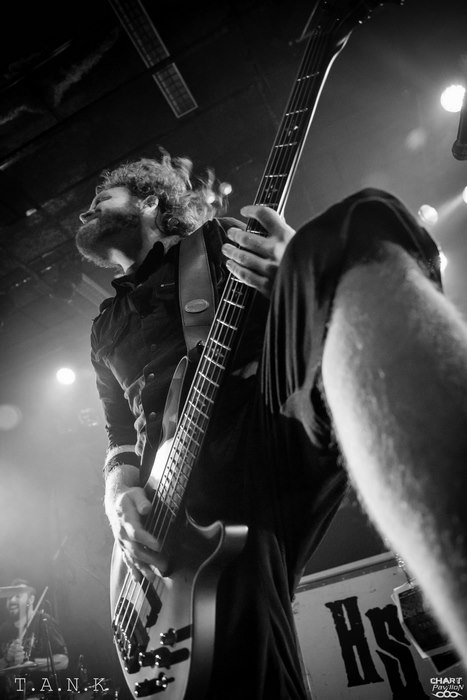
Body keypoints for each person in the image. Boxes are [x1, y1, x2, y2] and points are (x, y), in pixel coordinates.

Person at [76, 151, 467, 699]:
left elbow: (297, 332)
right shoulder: (103, 327)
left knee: (366, 220)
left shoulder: (217, 241)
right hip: (177, 502)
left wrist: (298, 272)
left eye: (103, 197)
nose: (85, 211)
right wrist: (118, 497)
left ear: (148, 201)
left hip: (261, 425)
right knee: (244, 661)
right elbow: (118, 432)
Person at [0, 579, 68, 698]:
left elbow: (63, 661)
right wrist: (7, 659)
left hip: (41, 694)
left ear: (31, 600)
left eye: (18, 596)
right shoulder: (3, 630)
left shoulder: (44, 621)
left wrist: (32, 663)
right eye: (9, 597)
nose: (12, 600)